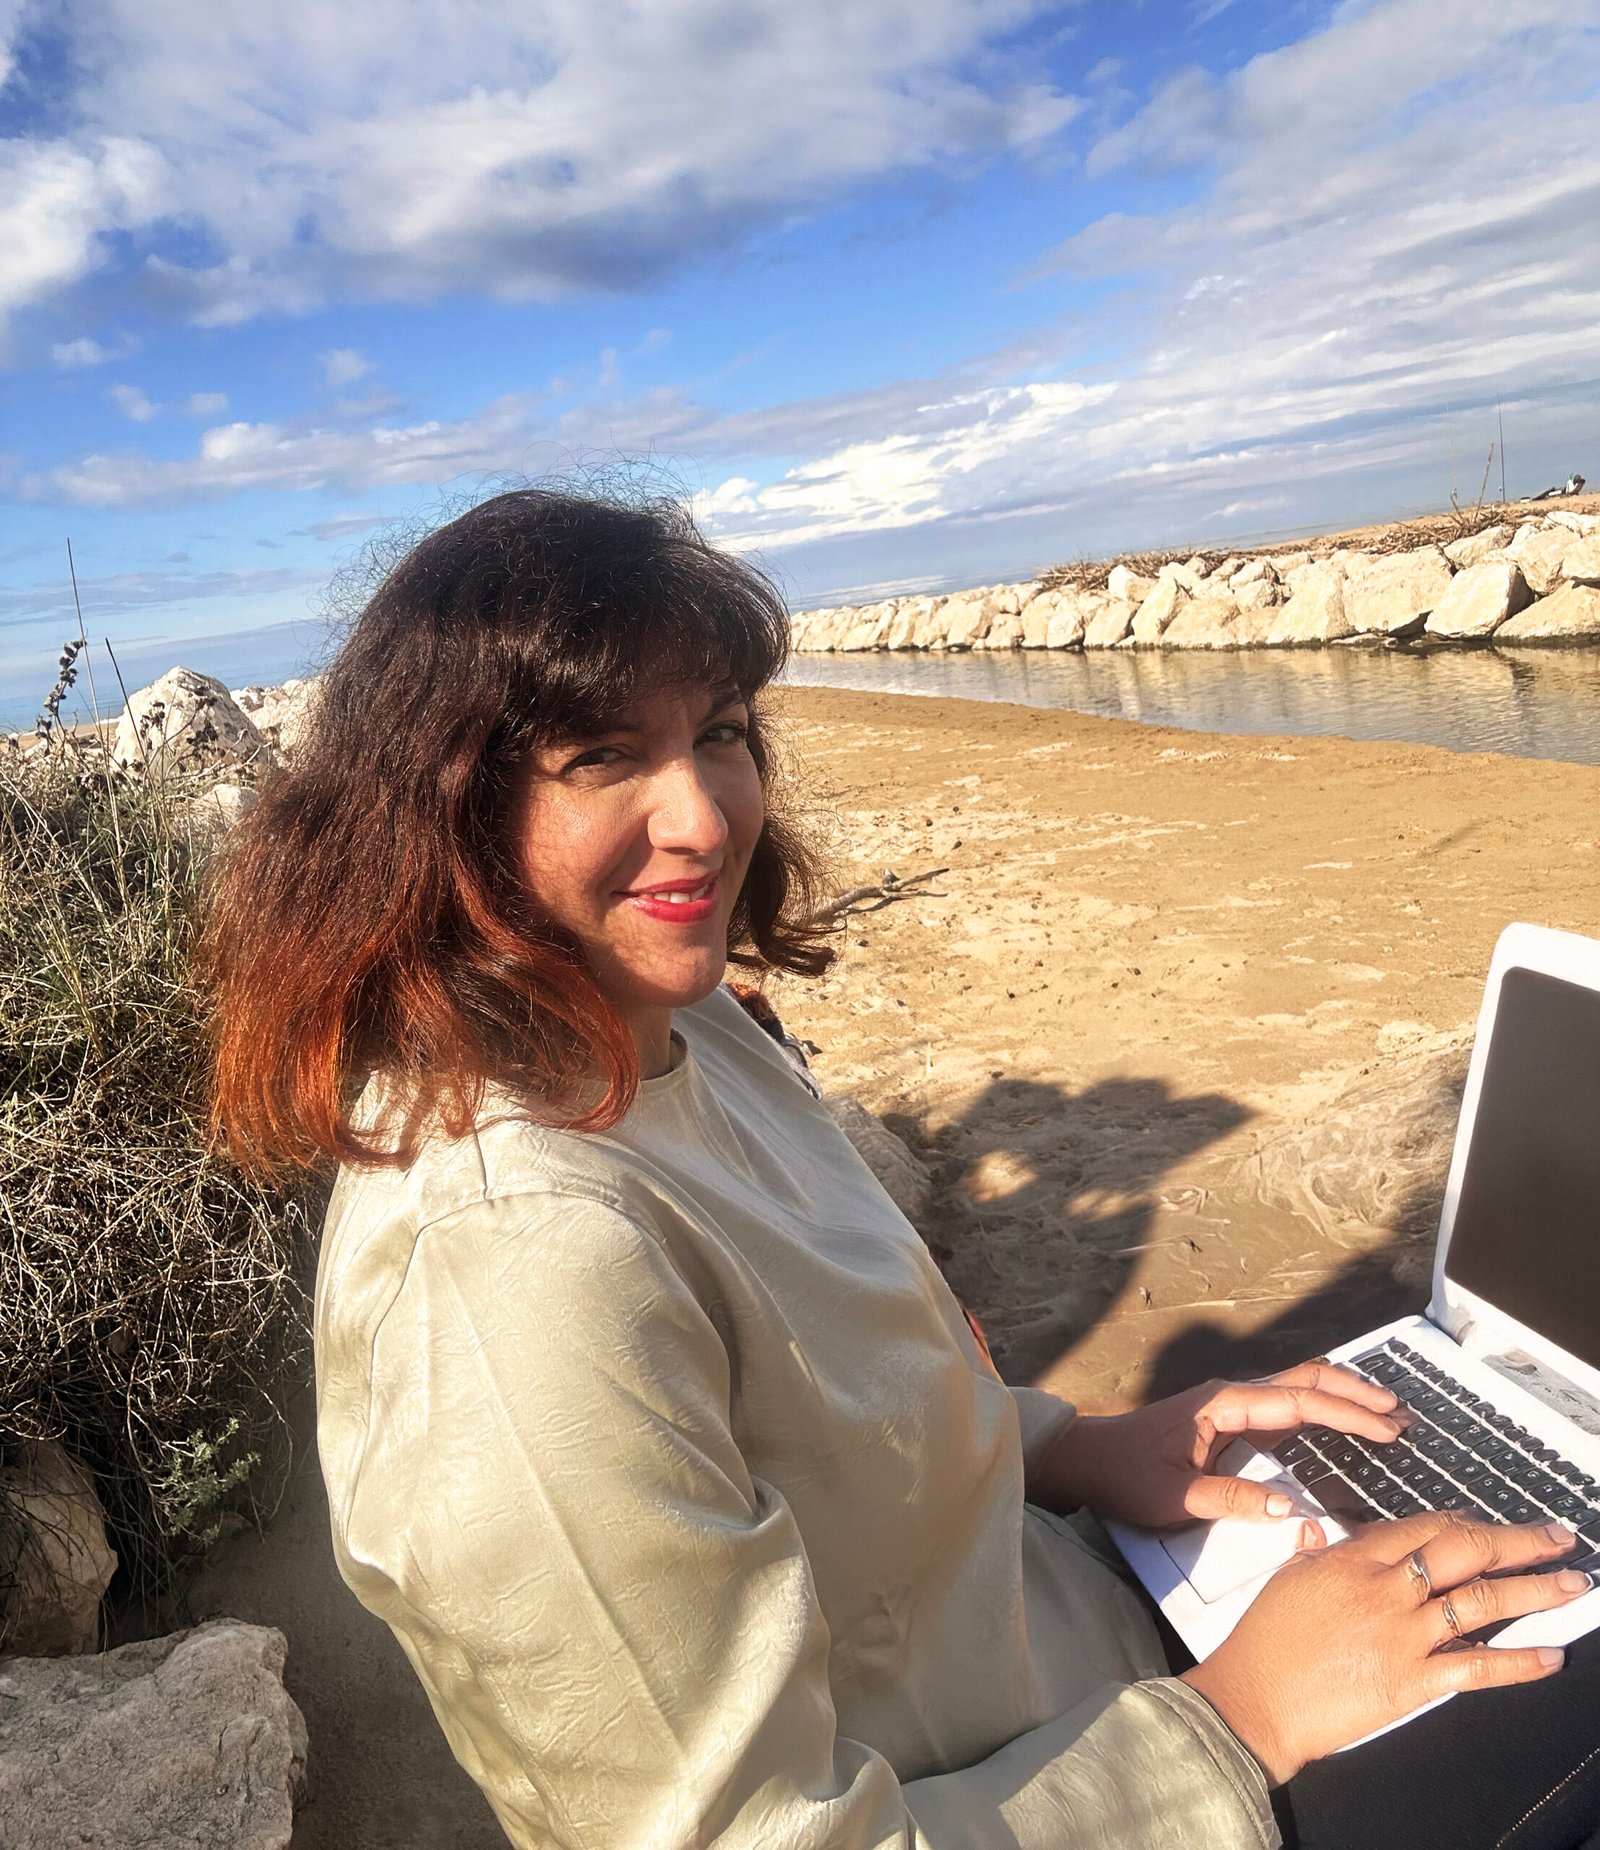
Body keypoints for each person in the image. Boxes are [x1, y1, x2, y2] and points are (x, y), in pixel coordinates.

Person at [204, 488, 1600, 1850]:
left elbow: (856, 1404)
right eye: (602, 756)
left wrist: (1077, 1450)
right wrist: (1239, 1723)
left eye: (723, 732)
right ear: (445, 807)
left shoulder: (672, 1025)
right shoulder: (516, 1270)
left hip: (1077, 1640)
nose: (700, 814)